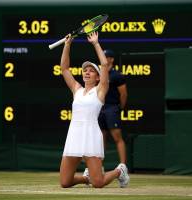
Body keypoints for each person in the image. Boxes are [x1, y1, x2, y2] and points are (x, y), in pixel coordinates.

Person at [59, 32, 129, 188]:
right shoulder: (76, 89)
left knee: (99, 183)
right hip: (74, 134)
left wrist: (96, 43)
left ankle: (120, 171)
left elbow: (104, 65)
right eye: (85, 70)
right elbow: (64, 69)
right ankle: (86, 178)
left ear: (98, 77)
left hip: (90, 134)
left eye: (91, 70)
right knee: (65, 182)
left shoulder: (100, 90)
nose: (87, 72)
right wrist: (67, 45)